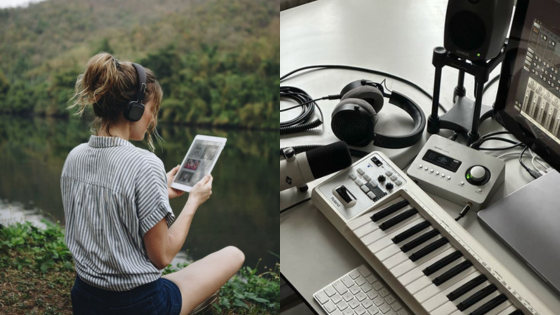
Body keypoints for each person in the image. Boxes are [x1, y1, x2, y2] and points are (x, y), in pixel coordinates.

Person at [62, 52, 244, 315]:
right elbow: (162, 257)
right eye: (152, 109)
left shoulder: (74, 157)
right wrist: (193, 202)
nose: (152, 119)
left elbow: (106, 208)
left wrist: (160, 192)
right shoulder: (145, 164)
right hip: (139, 306)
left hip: (84, 299)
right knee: (234, 255)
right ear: (134, 109)